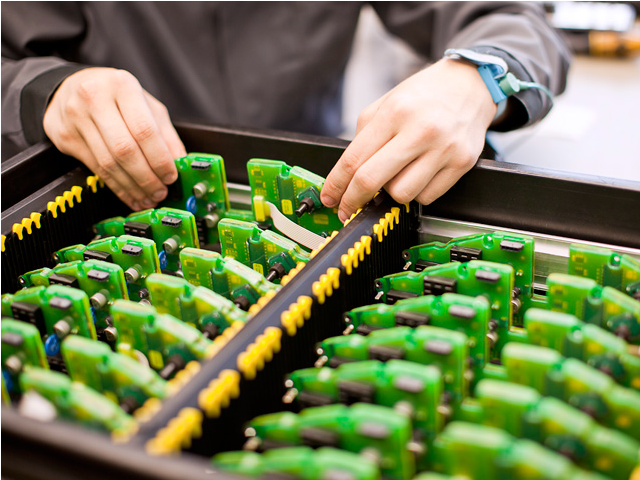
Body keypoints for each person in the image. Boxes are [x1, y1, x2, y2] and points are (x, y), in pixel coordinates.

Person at [2, 2, 570, 221]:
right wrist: (44, 91)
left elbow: (518, 21)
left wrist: (478, 76)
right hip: (105, 191)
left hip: (323, 191)